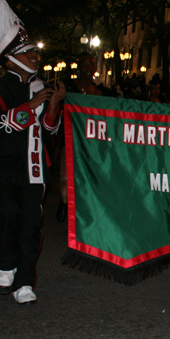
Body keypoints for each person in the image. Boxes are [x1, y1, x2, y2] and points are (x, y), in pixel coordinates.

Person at [0, 0, 66, 305]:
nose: (35, 56)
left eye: (35, 51)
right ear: (10, 60)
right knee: (10, 214)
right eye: (27, 52)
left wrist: (53, 106)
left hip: (36, 169)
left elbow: (50, 132)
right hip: (5, 166)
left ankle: (25, 281)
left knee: (31, 225)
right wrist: (31, 106)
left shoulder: (42, 87)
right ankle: (5, 261)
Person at [56, 53, 109, 223]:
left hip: (89, 139)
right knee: (65, 174)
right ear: (79, 67)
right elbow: (55, 105)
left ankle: (82, 207)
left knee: (86, 174)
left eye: (92, 65)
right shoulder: (67, 87)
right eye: (85, 64)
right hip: (69, 134)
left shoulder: (98, 92)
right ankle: (64, 201)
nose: (89, 68)